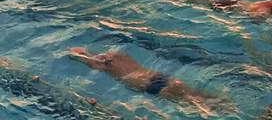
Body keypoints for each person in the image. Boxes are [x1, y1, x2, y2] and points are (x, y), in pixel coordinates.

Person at [68, 48, 231, 114]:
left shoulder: (101, 65)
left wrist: (75, 55)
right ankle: (224, 104)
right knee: (194, 94)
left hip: (148, 85)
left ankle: (217, 110)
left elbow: (78, 57)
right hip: (158, 76)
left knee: (190, 101)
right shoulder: (118, 55)